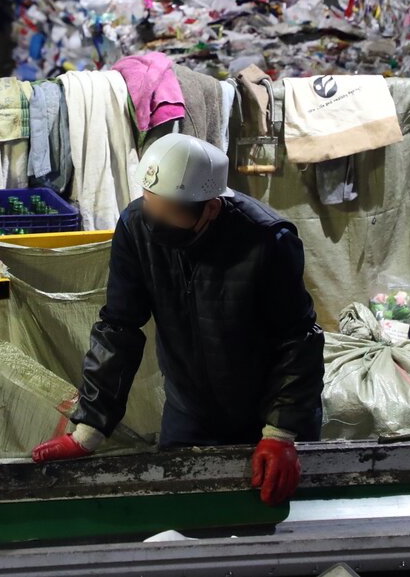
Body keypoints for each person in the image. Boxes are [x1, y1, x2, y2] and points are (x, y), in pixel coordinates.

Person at [32, 133, 324, 506]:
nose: (157, 223)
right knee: (183, 525)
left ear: (212, 208)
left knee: (269, 532)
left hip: (264, 416)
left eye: (172, 213)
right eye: (152, 206)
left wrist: (282, 432)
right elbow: (118, 327)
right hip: (189, 413)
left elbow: (299, 338)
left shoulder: (267, 241)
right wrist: (87, 431)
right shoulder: (136, 227)